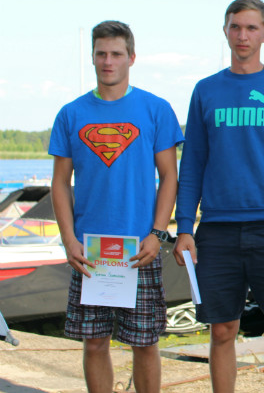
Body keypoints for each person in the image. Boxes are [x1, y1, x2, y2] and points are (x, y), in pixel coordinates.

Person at [174, 0, 264, 393]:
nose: (243, 35)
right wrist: (184, 227)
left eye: (251, 28)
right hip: (217, 230)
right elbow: (192, 165)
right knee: (222, 330)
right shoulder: (206, 90)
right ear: (225, 31)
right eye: (235, 27)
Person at [49, 20, 183, 393]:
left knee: (145, 342)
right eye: (101, 54)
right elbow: (60, 182)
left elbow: (169, 177)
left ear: (131, 58)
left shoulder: (156, 109)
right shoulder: (71, 113)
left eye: (116, 54)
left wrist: (157, 234)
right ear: (92, 57)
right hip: (90, 250)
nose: (108, 61)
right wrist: (69, 240)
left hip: (139, 247)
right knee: (94, 342)